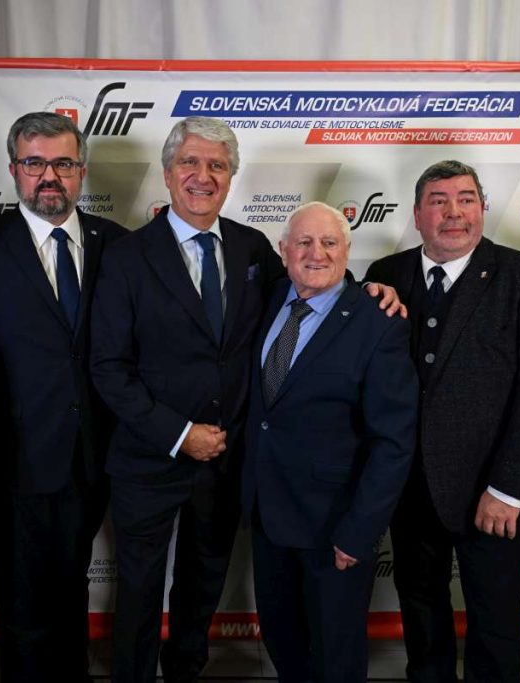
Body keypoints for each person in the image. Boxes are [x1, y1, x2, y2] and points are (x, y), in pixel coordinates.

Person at [91, 116, 401, 683]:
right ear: (168, 173)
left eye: (217, 165)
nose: (203, 176)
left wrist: (369, 291)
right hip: (148, 461)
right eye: (190, 162)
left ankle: (184, 674)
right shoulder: (126, 256)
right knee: (138, 594)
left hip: (227, 465)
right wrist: (180, 434)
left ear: (231, 177)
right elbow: (108, 368)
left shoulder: (251, 247)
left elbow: (313, 288)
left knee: (201, 590)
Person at [365, 160, 520, 682]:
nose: (453, 212)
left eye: (466, 199)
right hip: (409, 488)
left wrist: (509, 488)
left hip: (492, 494)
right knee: (421, 615)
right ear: (417, 214)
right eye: (438, 201)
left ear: (482, 208)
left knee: (495, 621)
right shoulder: (385, 275)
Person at [0, 112, 127, 682]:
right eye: (35, 163)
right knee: (23, 607)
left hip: (93, 458)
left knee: (71, 593)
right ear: (14, 169)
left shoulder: (117, 244)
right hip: (14, 462)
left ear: (81, 171)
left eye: (63, 163)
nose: (50, 176)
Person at [241, 202, 418, 682]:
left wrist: (360, 531)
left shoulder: (379, 321)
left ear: (347, 250)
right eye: (303, 242)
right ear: (283, 251)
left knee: (336, 660)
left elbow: (393, 441)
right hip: (269, 518)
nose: (315, 253)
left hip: (335, 529)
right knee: (284, 647)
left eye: (329, 243)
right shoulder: (268, 298)